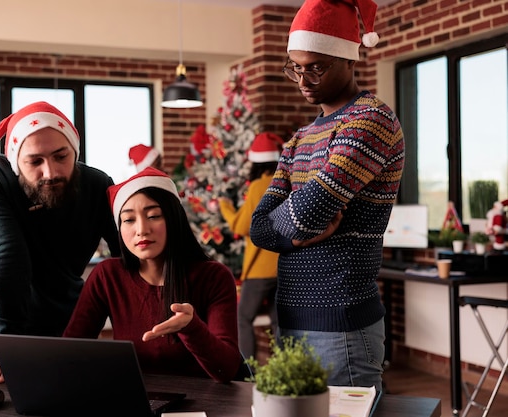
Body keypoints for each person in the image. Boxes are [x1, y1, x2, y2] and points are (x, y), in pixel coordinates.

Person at [250, 0, 405, 390]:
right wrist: (289, 227)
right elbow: (259, 228)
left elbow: (308, 214)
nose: (304, 80)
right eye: (296, 68)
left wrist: (291, 226)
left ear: (349, 59)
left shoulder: (370, 120)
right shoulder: (300, 138)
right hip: (290, 319)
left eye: (316, 67)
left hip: (342, 325)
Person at [0, 101, 120, 383]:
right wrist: (12, 345)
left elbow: (130, 258)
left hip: (74, 324)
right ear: (14, 161)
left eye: (61, 157)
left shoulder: (97, 185)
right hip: (7, 325)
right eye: (35, 161)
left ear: (75, 152)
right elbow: (7, 260)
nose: (51, 172)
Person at [63, 167, 242, 383]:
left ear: (174, 219)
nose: (141, 229)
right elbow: (71, 349)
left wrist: (191, 327)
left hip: (202, 405)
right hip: (134, 401)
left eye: (154, 216)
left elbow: (228, 368)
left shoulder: (214, 277)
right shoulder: (108, 275)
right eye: (128, 220)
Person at [218, 132, 283, 360]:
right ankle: (285, 367)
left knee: (242, 318)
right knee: (279, 321)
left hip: (259, 269)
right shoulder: (286, 183)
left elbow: (242, 226)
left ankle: (247, 370)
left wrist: (225, 206)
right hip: (283, 264)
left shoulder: (257, 187)